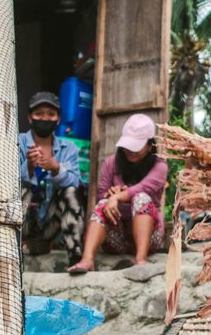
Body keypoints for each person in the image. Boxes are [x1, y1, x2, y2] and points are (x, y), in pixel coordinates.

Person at [69, 114, 167, 273]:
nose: (130, 151)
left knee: (141, 198)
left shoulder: (160, 166)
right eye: (128, 145)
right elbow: (101, 196)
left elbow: (143, 188)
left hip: (150, 240)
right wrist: (109, 197)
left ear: (150, 146)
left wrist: (118, 195)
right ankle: (87, 260)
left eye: (137, 146)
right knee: (102, 204)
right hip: (117, 240)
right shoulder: (111, 163)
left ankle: (141, 259)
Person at [19, 91, 83, 265]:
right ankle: (14, 246)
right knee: (22, 189)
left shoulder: (68, 148)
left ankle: (75, 256)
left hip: (50, 224)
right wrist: (29, 167)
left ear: (58, 119)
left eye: (51, 114)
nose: (45, 119)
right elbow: (4, 180)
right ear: (30, 118)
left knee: (70, 191)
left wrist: (56, 168)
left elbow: (75, 182)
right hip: (22, 222)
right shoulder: (18, 142)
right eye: (39, 114)